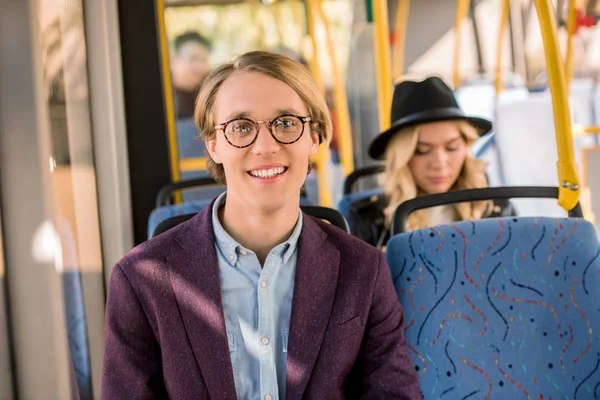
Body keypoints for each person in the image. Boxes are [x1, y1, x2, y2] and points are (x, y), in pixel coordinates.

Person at [102, 51, 421, 399]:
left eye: (285, 122)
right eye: (241, 127)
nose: (265, 147)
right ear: (214, 146)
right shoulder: (140, 280)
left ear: (313, 137)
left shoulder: (364, 269)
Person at [349, 76, 516, 247]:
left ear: (466, 149)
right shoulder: (369, 220)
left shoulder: (496, 210)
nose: (439, 162)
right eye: (422, 151)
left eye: (451, 148)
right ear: (402, 157)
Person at [171, 31, 212, 119]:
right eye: (193, 58)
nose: (200, 67)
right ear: (174, 59)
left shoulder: (210, 93)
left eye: (204, 60)